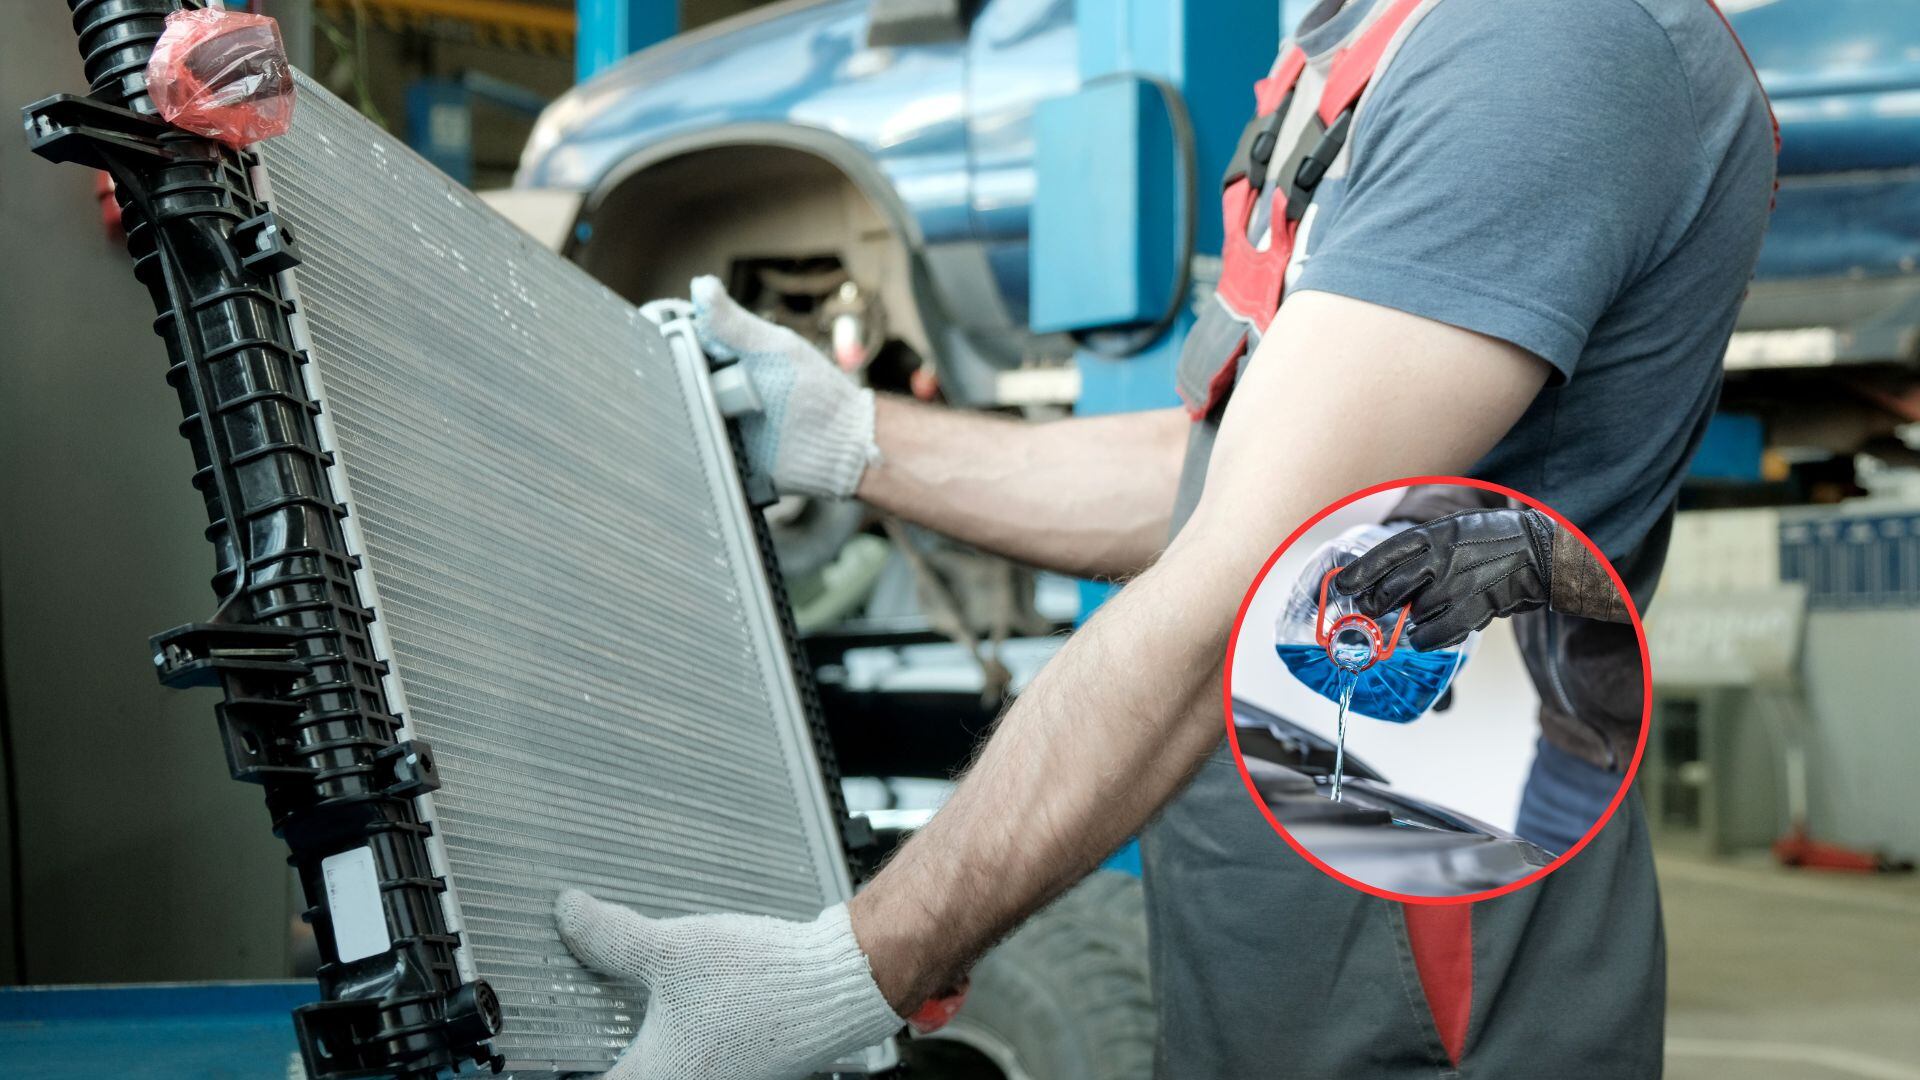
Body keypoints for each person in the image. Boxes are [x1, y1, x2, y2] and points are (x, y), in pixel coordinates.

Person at [554, 0, 1778, 1076]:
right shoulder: (1375, 41)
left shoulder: (1543, 46)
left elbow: (1252, 567)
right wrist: (851, 440)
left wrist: (846, 970)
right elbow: (1228, 476)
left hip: (1421, 956)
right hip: (1286, 917)